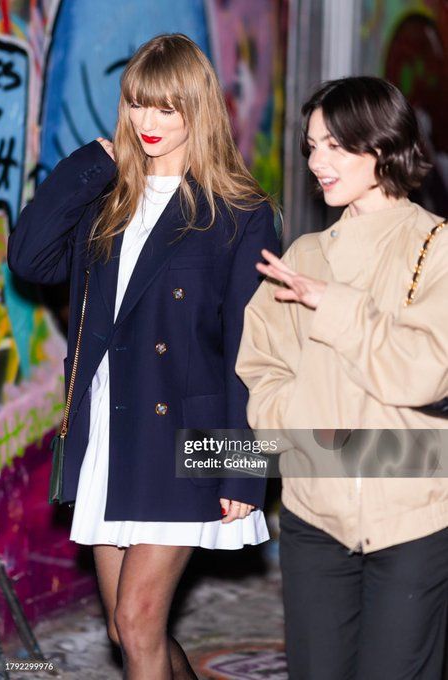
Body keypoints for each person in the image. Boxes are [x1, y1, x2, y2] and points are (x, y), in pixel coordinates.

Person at [8, 33, 279, 680]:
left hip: (186, 442)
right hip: (110, 431)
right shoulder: (107, 200)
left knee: (137, 620)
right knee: (126, 629)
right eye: (136, 105)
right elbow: (27, 259)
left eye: (166, 108)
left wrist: (245, 472)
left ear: (197, 110)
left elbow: (256, 348)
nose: (148, 123)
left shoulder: (239, 213)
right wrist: (88, 167)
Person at [236, 76, 448, 680]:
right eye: (310, 147)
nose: (316, 162)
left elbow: (425, 372)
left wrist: (337, 308)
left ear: (379, 146)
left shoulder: (437, 250)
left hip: (414, 517)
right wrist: (295, 427)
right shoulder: (302, 255)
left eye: (333, 146)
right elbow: (262, 364)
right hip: (313, 518)